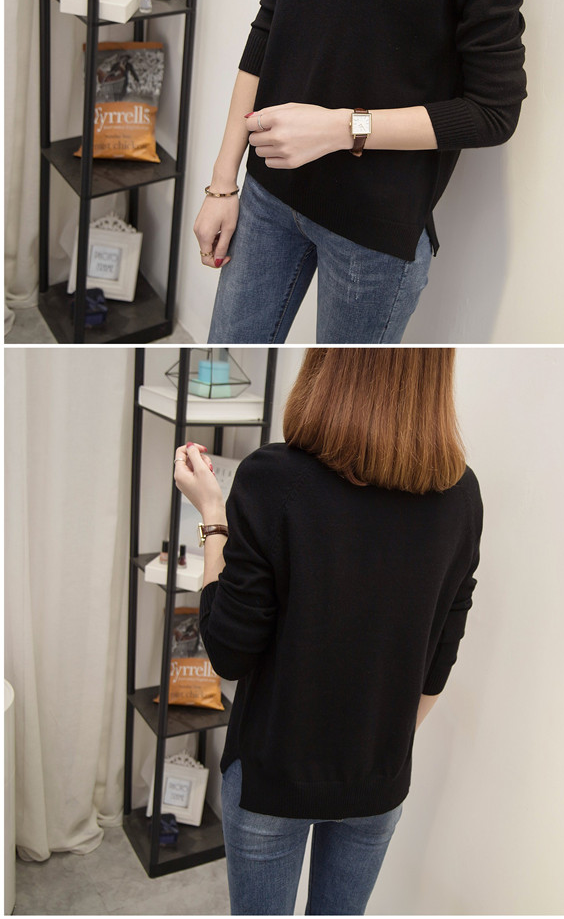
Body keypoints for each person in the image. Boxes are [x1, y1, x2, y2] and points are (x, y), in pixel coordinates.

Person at [196, 0, 527, 344]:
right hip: (268, 193)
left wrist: (340, 129)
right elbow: (269, 26)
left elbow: (494, 112)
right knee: (224, 362)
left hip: (373, 232)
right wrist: (223, 182)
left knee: (345, 390)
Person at [173, 348, 483, 914]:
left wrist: (212, 517)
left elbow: (227, 653)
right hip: (378, 781)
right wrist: (374, 748)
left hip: (272, 779)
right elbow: (439, 660)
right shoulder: (461, 494)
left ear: (331, 367)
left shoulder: (273, 478)